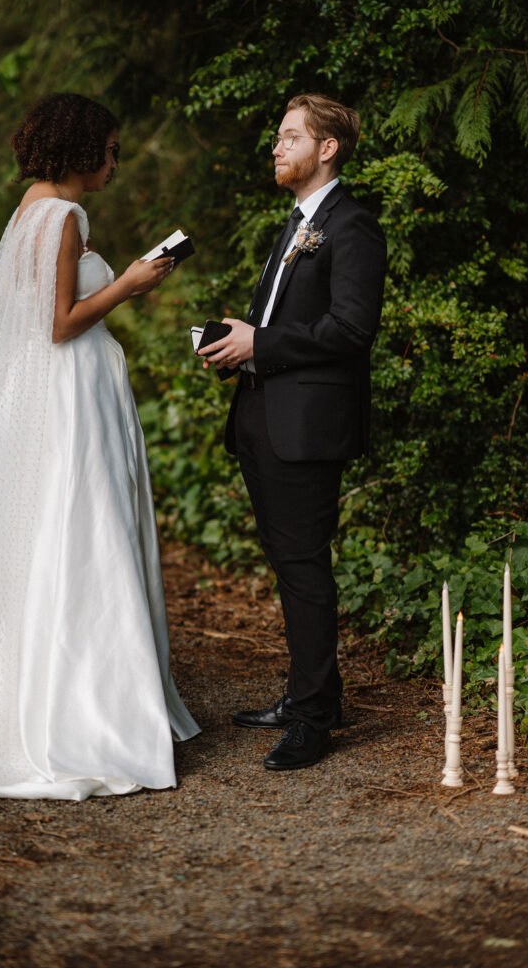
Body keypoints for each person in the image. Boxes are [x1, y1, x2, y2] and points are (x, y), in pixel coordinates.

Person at [0, 93, 199, 798]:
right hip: (70, 395)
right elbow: (58, 324)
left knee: (56, 529)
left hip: (57, 395)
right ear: (79, 150)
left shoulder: (33, 207)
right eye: (109, 149)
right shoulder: (62, 213)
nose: (115, 162)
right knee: (85, 529)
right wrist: (129, 283)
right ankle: (86, 709)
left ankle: (72, 684)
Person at [199, 93, 386, 771]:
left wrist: (262, 342)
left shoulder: (351, 225)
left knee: (305, 569)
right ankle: (313, 695)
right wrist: (235, 343)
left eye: (288, 137)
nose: (275, 147)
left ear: (326, 148)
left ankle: (311, 720)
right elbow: (280, 322)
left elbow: (351, 330)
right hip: (259, 415)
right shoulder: (297, 224)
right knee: (288, 564)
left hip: (306, 426)